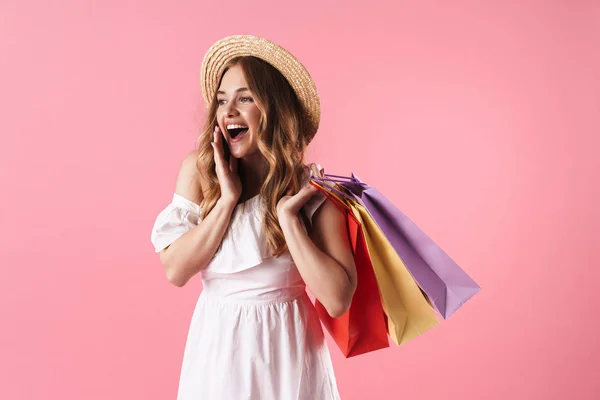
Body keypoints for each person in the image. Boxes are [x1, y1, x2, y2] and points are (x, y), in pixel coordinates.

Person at [150, 35, 357, 400]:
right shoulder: (200, 173)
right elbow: (175, 271)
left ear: (274, 109)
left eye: (245, 98)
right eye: (222, 100)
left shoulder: (311, 188)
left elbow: (337, 299)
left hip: (289, 353)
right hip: (217, 351)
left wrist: (289, 220)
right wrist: (227, 200)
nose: (228, 111)